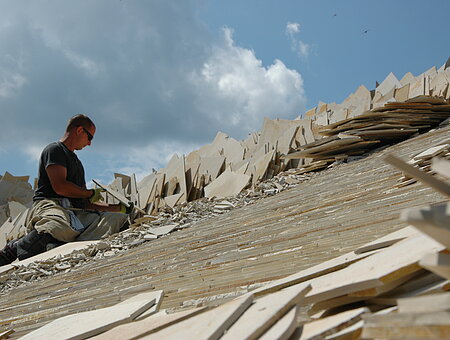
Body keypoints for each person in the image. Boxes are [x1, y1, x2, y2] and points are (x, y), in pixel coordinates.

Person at [0, 114, 130, 266]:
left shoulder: (78, 163)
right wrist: (90, 193)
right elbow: (60, 187)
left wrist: (118, 208)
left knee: (115, 220)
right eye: (90, 138)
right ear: (80, 130)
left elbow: (85, 204)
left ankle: (62, 245)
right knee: (56, 225)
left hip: (74, 212)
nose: (89, 144)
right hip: (50, 205)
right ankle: (15, 249)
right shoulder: (55, 150)